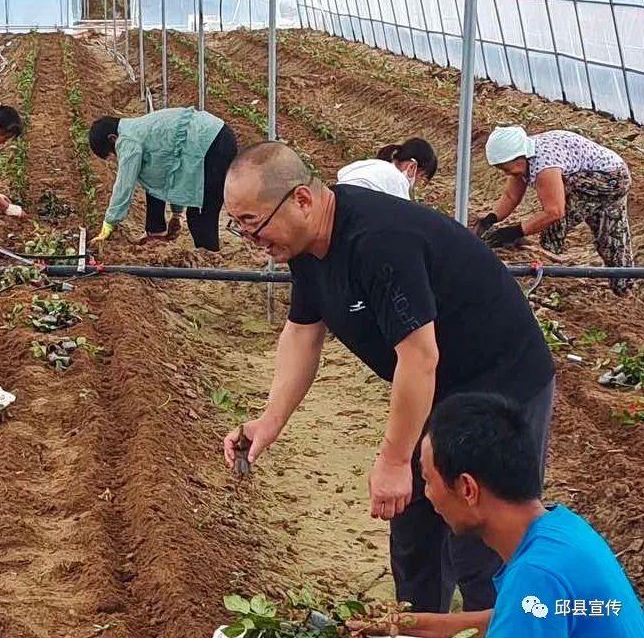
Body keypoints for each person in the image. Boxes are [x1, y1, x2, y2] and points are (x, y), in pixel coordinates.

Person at [221, 142, 555, 614]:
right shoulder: (306, 244)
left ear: (301, 200)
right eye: (239, 225)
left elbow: (419, 358)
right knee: (415, 528)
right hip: (437, 388)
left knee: (480, 536)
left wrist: (396, 460)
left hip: (500, 382)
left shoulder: (377, 241)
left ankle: (508, 623)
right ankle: (417, 622)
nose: (250, 237)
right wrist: (269, 422)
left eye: (253, 223)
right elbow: (302, 333)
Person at [348, 393, 644, 637]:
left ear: (467, 489)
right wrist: (400, 628)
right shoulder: (563, 529)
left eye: (427, 480)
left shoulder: (535, 576)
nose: (425, 494)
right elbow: (512, 615)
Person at [473, 125, 634, 295]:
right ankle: (624, 288)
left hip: (609, 179)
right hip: (606, 177)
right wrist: (490, 219)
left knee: (553, 224)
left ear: (518, 157)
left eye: (506, 168)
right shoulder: (525, 158)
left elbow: (554, 211)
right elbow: (510, 197)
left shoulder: (545, 165)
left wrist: (513, 232)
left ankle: (550, 259)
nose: (506, 173)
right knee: (609, 237)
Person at [88, 107, 237, 250]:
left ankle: (210, 265)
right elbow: (173, 175)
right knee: (157, 187)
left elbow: (124, 184)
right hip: (217, 136)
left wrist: (109, 222)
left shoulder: (128, 140)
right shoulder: (139, 129)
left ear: (113, 138)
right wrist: (176, 214)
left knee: (200, 215)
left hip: (214, 143)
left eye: (113, 153)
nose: (117, 156)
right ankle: (157, 233)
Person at [336, 137, 437, 200]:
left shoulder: (368, 165)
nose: (417, 182)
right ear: (412, 167)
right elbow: (404, 219)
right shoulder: (397, 180)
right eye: (421, 176)